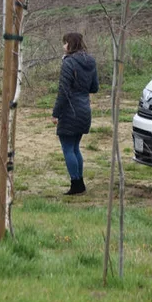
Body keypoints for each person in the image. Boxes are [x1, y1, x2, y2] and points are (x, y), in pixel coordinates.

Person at [52, 32, 99, 195]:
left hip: (70, 110)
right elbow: (94, 87)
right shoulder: (90, 61)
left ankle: (76, 184)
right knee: (75, 147)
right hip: (84, 109)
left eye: (65, 43)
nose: (63, 46)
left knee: (67, 147)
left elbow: (63, 91)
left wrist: (55, 113)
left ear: (70, 44)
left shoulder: (68, 63)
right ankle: (80, 183)